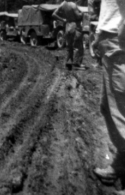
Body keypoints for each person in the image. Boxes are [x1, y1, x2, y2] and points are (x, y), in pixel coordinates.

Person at [92, 0, 125, 194]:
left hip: (117, 40)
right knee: (108, 107)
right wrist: (98, 34)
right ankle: (120, 166)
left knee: (121, 113)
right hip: (109, 38)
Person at [52, 0, 85, 69]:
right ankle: (76, 64)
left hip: (67, 26)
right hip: (75, 26)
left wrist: (62, 20)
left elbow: (54, 14)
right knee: (78, 46)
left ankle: (68, 62)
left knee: (69, 46)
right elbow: (78, 16)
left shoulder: (62, 4)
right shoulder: (73, 5)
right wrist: (82, 13)